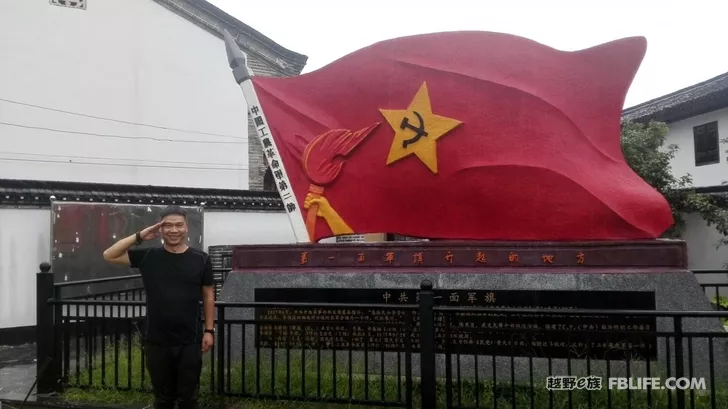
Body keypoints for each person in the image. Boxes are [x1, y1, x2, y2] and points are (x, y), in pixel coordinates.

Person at [102, 205, 214, 409]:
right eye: (168, 225)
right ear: (160, 229)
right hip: (156, 340)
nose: (174, 230)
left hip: (190, 339)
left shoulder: (201, 259)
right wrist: (140, 236)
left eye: (179, 225)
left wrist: (209, 330)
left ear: (186, 227)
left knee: (188, 398)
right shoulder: (148, 256)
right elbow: (109, 254)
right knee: (163, 399)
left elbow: (208, 295)